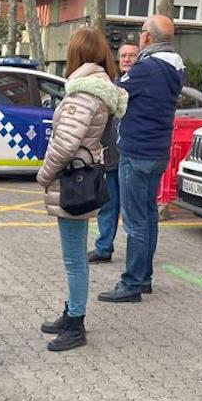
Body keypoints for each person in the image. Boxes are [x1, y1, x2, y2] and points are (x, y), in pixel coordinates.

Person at [36, 27, 127, 351]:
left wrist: (43, 175)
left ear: (77, 55)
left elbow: (64, 143)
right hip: (84, 177)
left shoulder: (84, 94)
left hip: (73, 179)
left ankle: (76, 323)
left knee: (74, 259)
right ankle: (71, 313)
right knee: (74, 256)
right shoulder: (98, 90)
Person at [98, 15, 184, 303]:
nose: (140, 35)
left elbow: (115, 94)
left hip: (136, 152)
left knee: (135, 221)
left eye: (142, 31)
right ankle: (144, 277)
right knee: (147, 217)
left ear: (147, 36)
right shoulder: (175, 66)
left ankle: (132, 283)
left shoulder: (147, 68)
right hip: (157, 152)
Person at [89, 41, 139, 264]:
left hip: (130, 158)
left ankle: (135, 253)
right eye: (123, 56)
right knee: (108, 205)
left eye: (132, 55)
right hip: (109, 157)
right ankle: (103, 247)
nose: (127, 59)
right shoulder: (112, 87)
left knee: (130, 210)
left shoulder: (140, 87)